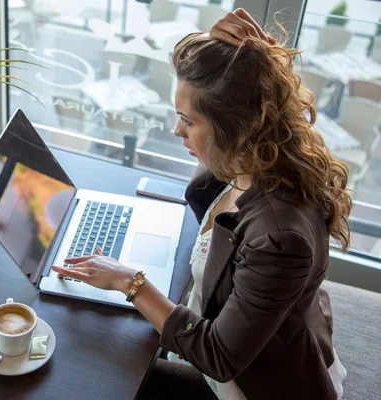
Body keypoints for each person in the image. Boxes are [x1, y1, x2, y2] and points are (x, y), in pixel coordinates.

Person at [51, 8, 351, 400]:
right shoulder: (254, 161)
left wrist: (131, 282)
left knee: (94, 366)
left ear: (235, 126)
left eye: (188, 121)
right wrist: (221, 67)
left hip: (252, 383)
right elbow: (228, 107)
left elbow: (219, 357)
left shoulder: (280, 235)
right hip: (239, 337)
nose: (176, 130)